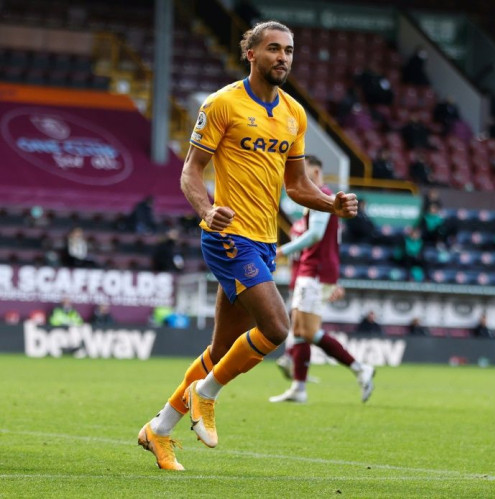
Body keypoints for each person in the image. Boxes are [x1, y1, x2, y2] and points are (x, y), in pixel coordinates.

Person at [137, 21, 358, 471]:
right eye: (274, 49)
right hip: (227, 236)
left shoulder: (294, 113)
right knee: (277, 328)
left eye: (289, 51)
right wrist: (207, 209)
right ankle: (207, 394)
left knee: (221, 352)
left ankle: (158, 431)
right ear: (251, 54)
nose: (283, 57)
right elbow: (190, 172)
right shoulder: (222, 104)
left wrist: (331, 202)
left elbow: (297, 186)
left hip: (264, 241)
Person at [268, 155, 375, 404]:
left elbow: (315, 235)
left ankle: (359, 368)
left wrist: (281, 251)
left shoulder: (322, 196)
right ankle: (300, 387)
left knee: (306, 330)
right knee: (302, 330)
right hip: (315, 271)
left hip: (314, 271)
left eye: (302, 172)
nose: (296, 177)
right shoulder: (320, 198)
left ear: (315, 173)